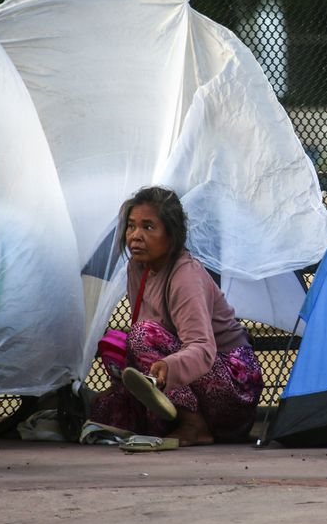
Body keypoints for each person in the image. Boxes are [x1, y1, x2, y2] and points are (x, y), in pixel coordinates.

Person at [89, 186, 264, 445]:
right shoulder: (137, 268)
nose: (135, 236)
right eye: (132, 226)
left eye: (148, 227)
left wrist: (168, 367)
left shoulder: (186, 275)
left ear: (172, 236)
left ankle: (194, 424)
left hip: (233, 386)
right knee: (106, 412)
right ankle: (182, 418)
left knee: (142, 335)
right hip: (187, 380)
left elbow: (203, 348)